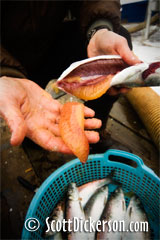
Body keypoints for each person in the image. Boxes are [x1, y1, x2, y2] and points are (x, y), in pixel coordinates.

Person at [0, 1, 141, 154]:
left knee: (119, 39)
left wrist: (99, 28)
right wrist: (4, 72)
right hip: (7, 56)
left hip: (49, 42)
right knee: (33, 136)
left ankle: (97, 132)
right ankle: (31, 140)